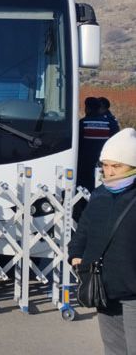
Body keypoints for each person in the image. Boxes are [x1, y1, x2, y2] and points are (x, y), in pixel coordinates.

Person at [70, 128, 136, 355]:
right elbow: (84, 230)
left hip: (133, 290)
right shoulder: (100, 194)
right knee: (114, 348)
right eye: (105, 165)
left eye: (116, 166)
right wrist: (75, 254)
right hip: (103, 286)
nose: (108, 172)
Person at [77, 97, 113, 193]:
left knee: (83, 190)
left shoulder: (82, 123)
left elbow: (77, 144)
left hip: (84, 164)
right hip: (104, 163)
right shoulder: (110, 123)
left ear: (87, 109)